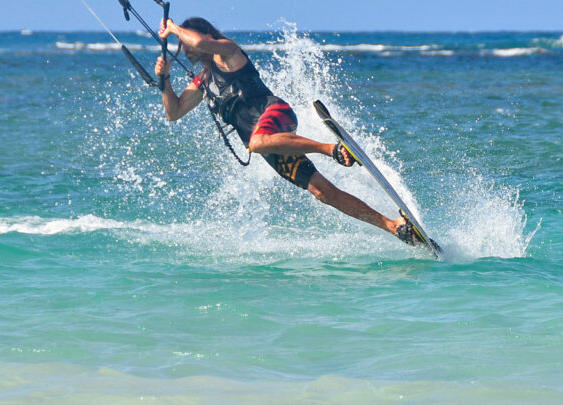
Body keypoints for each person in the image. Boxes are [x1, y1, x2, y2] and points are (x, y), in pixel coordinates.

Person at [153, 17, 420, 245]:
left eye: (188, 40)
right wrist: (164, 79)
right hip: (269, 145)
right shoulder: (203, 80)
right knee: (322, 192)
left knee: (256, 142)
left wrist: (175, 28)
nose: (185, 47)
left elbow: (200, 42)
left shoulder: (228, 53)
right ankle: (395, 226)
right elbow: (173, 112)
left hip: (275, 115)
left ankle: (333, 150)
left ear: (207, 34)